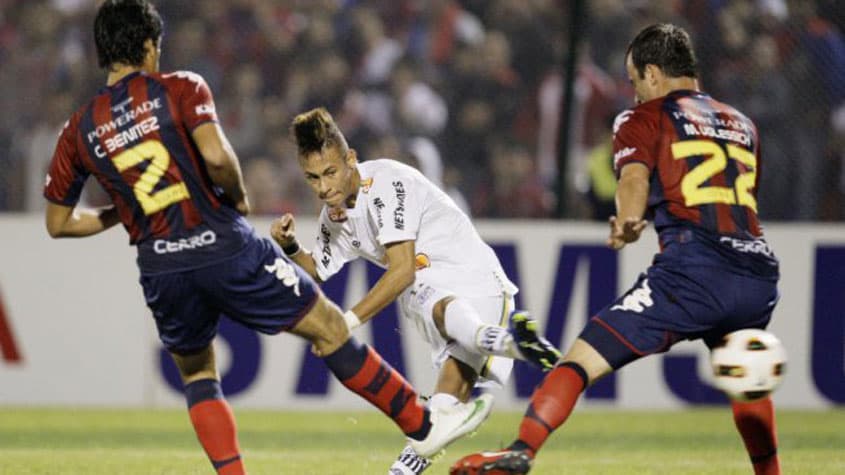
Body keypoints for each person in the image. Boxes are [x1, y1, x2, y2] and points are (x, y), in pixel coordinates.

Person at [42, 2, 494, 474]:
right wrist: (237, 196)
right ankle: (422, 424)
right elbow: (216, 157)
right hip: (221, 243)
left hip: (160, 266)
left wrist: (125, 209)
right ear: (150, 45)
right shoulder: (179, 87)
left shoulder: (79, 129)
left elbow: (59, 223)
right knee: (329, 327)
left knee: (198, 373)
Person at [450, 23, 782, 475]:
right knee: (746, 379)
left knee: (581, 359)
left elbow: (633, 178)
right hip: (757, 272)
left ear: (651, 73)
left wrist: (629, 218)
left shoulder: (642, 118)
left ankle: (521, 450)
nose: (633, 92)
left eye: (633, 81)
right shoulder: (742, 123)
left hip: (693, 271)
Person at [270, 107, 561, 475]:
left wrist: (345, 322)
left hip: (470, 278)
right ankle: (508, 343)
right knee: (437, 420)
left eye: (330, 173)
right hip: (447, 304)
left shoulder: (387, 183)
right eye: (312, 178)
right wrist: (292, 246)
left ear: (351, 159)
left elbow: (403, 270)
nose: (324, 187)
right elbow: (319, 271)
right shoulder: (335, 217)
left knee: (419, 290)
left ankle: (505, 342)